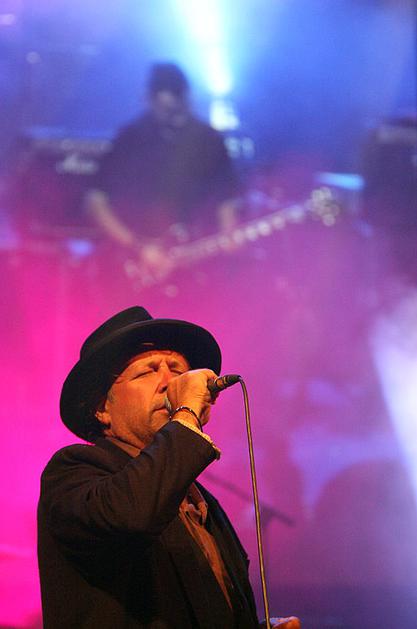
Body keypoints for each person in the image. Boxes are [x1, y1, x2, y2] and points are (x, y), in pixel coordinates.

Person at [37, 306, 301, 629]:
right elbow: (129, 516)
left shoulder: (200, 501)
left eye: (178, 371)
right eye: (147, 372)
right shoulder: (73, 472)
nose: (169, 382)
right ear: (102, 408)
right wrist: (186, 413)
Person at [85, 63, 239, 277]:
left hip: (195, 266)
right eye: (162, 106)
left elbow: (226, 199)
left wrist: (229, 235)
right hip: (132, 267)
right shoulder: (130, 138)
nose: (168, 113)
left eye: (174, 106)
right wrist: (137, 246)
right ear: (149, 99)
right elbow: (96, 201)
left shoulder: (210, 140)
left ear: (186, 98)